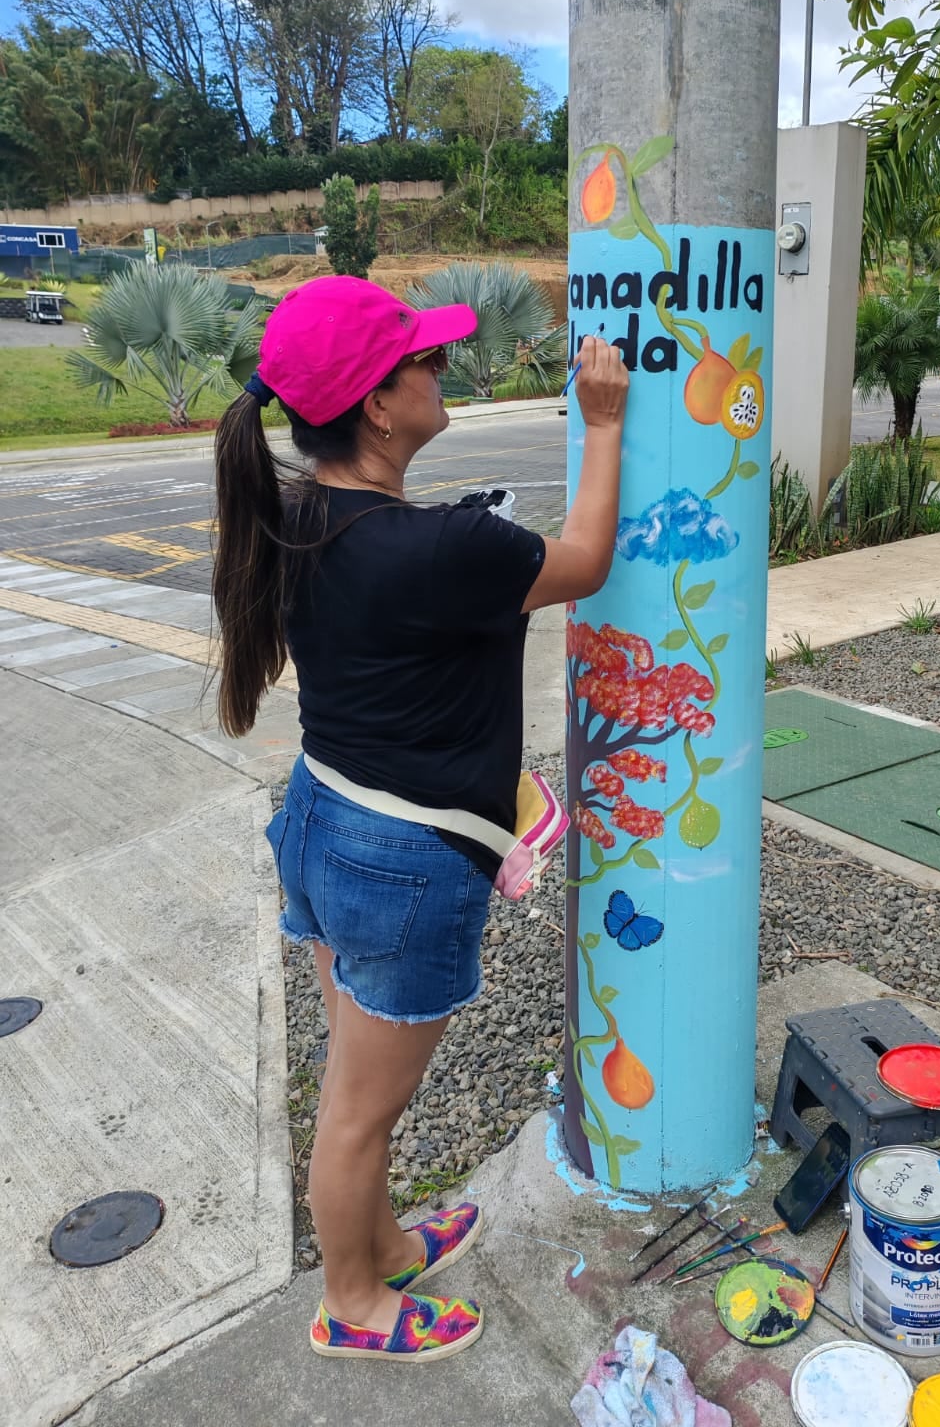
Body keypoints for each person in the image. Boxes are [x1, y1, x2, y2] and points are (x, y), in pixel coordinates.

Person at [211, 276, 628, 1363]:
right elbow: (586, 562)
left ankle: (386, 1241)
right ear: (380, 406)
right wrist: (604, 423)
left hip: (322, 820)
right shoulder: (443, 547)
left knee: (359, 1081)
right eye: (426, 361)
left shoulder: (292, 515)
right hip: (400, 860)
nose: (445, 368)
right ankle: (351, 1302)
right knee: (357, 1110)